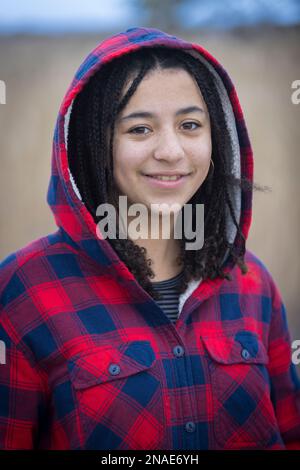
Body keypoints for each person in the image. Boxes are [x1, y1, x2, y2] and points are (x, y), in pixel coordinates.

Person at [0, 26, 299, 450]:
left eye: (191, 125)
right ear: (93, 144)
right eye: (140, 130)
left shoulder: (253, 285)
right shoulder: (22, 291)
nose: (171, 152)